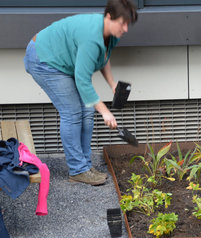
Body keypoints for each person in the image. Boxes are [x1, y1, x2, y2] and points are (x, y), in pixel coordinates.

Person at [24, 0, 138, 186]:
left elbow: (103, 56)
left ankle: (84, 166)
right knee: (72, 112)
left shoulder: (110, 33)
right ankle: (78, 170)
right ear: (109, 17)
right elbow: (83, 81)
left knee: (86, 110)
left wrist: (112, 83)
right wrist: (105, 112)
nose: (125, 28)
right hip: (43, 60)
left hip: (61, 60)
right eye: (122, 23)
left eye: (128, 23)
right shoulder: (91, 37)